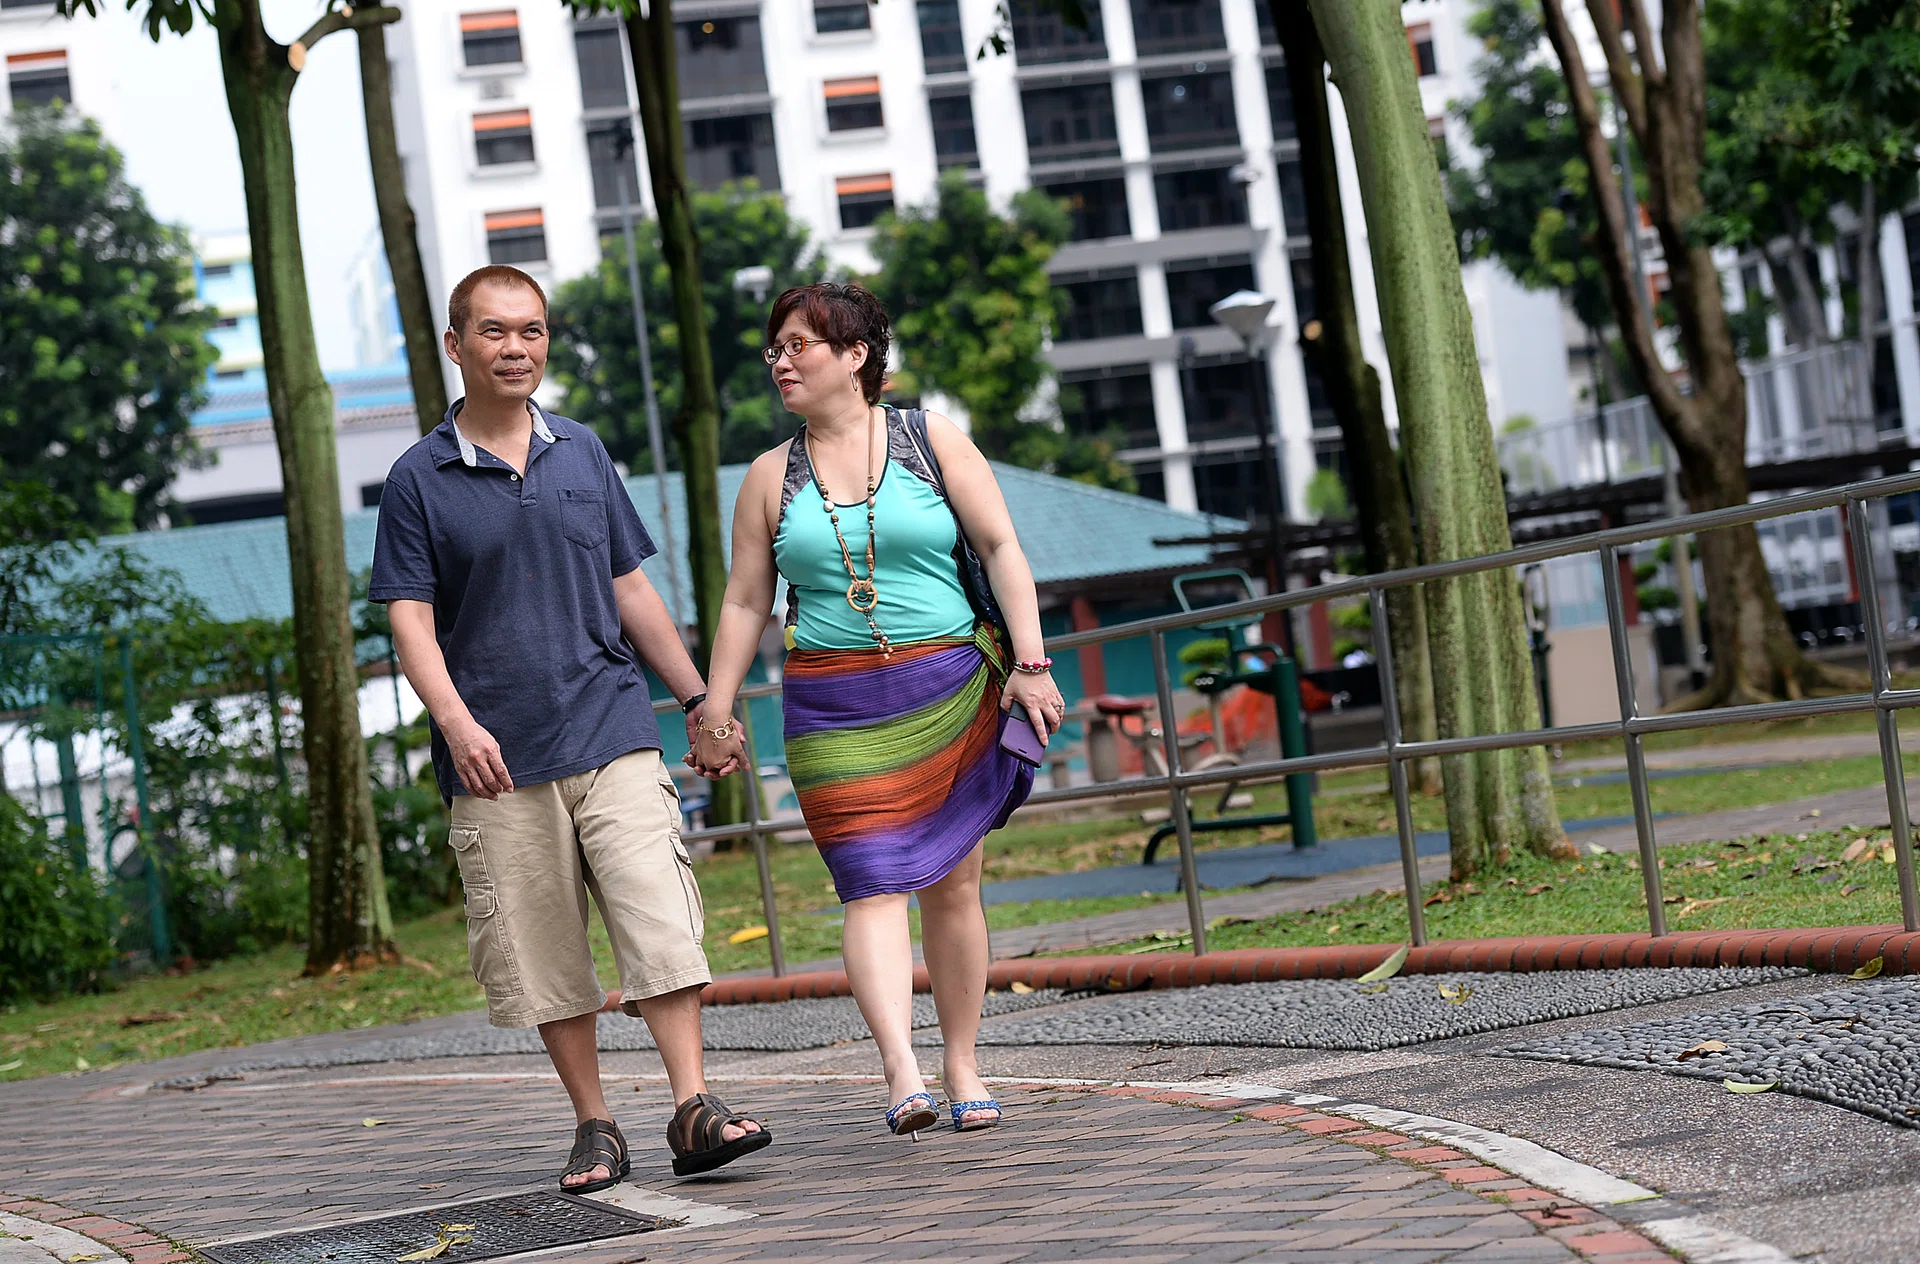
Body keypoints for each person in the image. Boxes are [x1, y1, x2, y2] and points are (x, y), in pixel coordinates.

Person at [369, 265, 770, 1188]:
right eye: (497, 332)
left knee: (659, 917)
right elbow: (409, 619)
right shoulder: (417, 480)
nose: (518, 349)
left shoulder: (583, 452)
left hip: (612, 727)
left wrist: (703, 703)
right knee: (545, 951)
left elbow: (632, 589)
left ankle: (692, 1108)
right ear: (455, 345)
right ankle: (595, 1125)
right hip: (498, 762)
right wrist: (458, 724)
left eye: (534, 331)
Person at [691, 282, 1063, 1136]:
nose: (779, 362)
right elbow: (746, 601)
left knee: (954, 884)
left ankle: (963, 1060)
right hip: (831, 701)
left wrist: (1032, 663)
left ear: (854, 355)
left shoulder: (930, 439)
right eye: (774, 349)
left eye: (797, 346)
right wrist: (714, 709)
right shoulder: (765, 478)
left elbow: (1003, 546)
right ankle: (901, 1068)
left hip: (949, 682)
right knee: (869, 882)